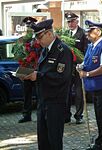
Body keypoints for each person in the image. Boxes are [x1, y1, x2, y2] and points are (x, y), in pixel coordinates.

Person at [26, 19, 73, 150]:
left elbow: (62, 77)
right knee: (43, 140)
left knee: (54, 140)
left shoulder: (63, 51)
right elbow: (44, 71)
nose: (38, 41)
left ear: (49, 34)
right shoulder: (45, 50)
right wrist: (31, 74)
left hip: (55, 103)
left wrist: (38, 76)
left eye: (40, 37)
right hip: (43, 101)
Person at [77, 20, 102, 150]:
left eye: (90, 31)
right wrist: (81, 66)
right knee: (99, 115)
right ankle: (101, 140)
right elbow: (88, 61)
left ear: (98, 32)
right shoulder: (91, 46)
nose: (87, 33)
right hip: (95, 86)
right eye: (87, 31)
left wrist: (87, 74)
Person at [65, 12, 88, 124]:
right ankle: (66, 115)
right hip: (67, 68)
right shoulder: (66, 34)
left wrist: (82, 65)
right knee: (66, 92)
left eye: (72, 21)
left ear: (77, 21)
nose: (70, 23)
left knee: (79, 93)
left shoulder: (83, 34)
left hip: (78, 67)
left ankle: (79, 115)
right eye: (68, 22)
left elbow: (85, 51)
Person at [18, 16, 39, 123]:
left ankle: (41, 114)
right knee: (26, 93)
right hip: (27, 69)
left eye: (31, 26)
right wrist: (21, 72)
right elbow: (20, 56)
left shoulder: (39, 38)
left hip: (36, 69)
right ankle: (26, 115)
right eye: (27, 26)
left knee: (39, 93)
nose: (29, 28)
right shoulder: (24, 39)